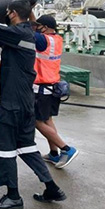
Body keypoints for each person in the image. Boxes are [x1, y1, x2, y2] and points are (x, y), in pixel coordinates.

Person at [0, 0, 66, 209]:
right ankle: (52, 187)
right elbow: (25, 25)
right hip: (26, 102)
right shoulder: (28, 34)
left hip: (12, 103)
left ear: (13, 14)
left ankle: (13, 196)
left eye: (8, 13)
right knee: (26, 146)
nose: (6, 16)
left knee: (3, 147)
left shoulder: (17, 34)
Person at [33, 15, 79, 168]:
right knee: (48, 120)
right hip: (52, 86)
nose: (36, 27)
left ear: (44, 28)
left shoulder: (42, 40)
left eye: (38, 26)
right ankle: (54, 154)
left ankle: (66, 149)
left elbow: (26, 29)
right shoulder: (56, 39)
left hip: (41, 89)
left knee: (37, 121)